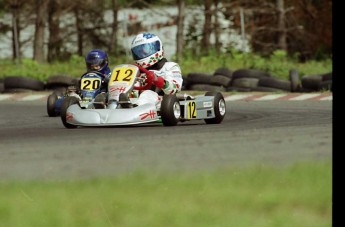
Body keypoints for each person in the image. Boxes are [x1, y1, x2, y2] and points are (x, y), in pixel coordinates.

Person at [130, 32, 183, 107]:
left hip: (162, 102)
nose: (141, 54)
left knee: (147, 94)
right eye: (138, 52)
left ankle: (135, 108)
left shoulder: (169, 67)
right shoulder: (136, 70)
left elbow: (175, 87)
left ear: (156, 47)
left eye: (144, 50)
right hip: (137, 100)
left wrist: (158, 80)